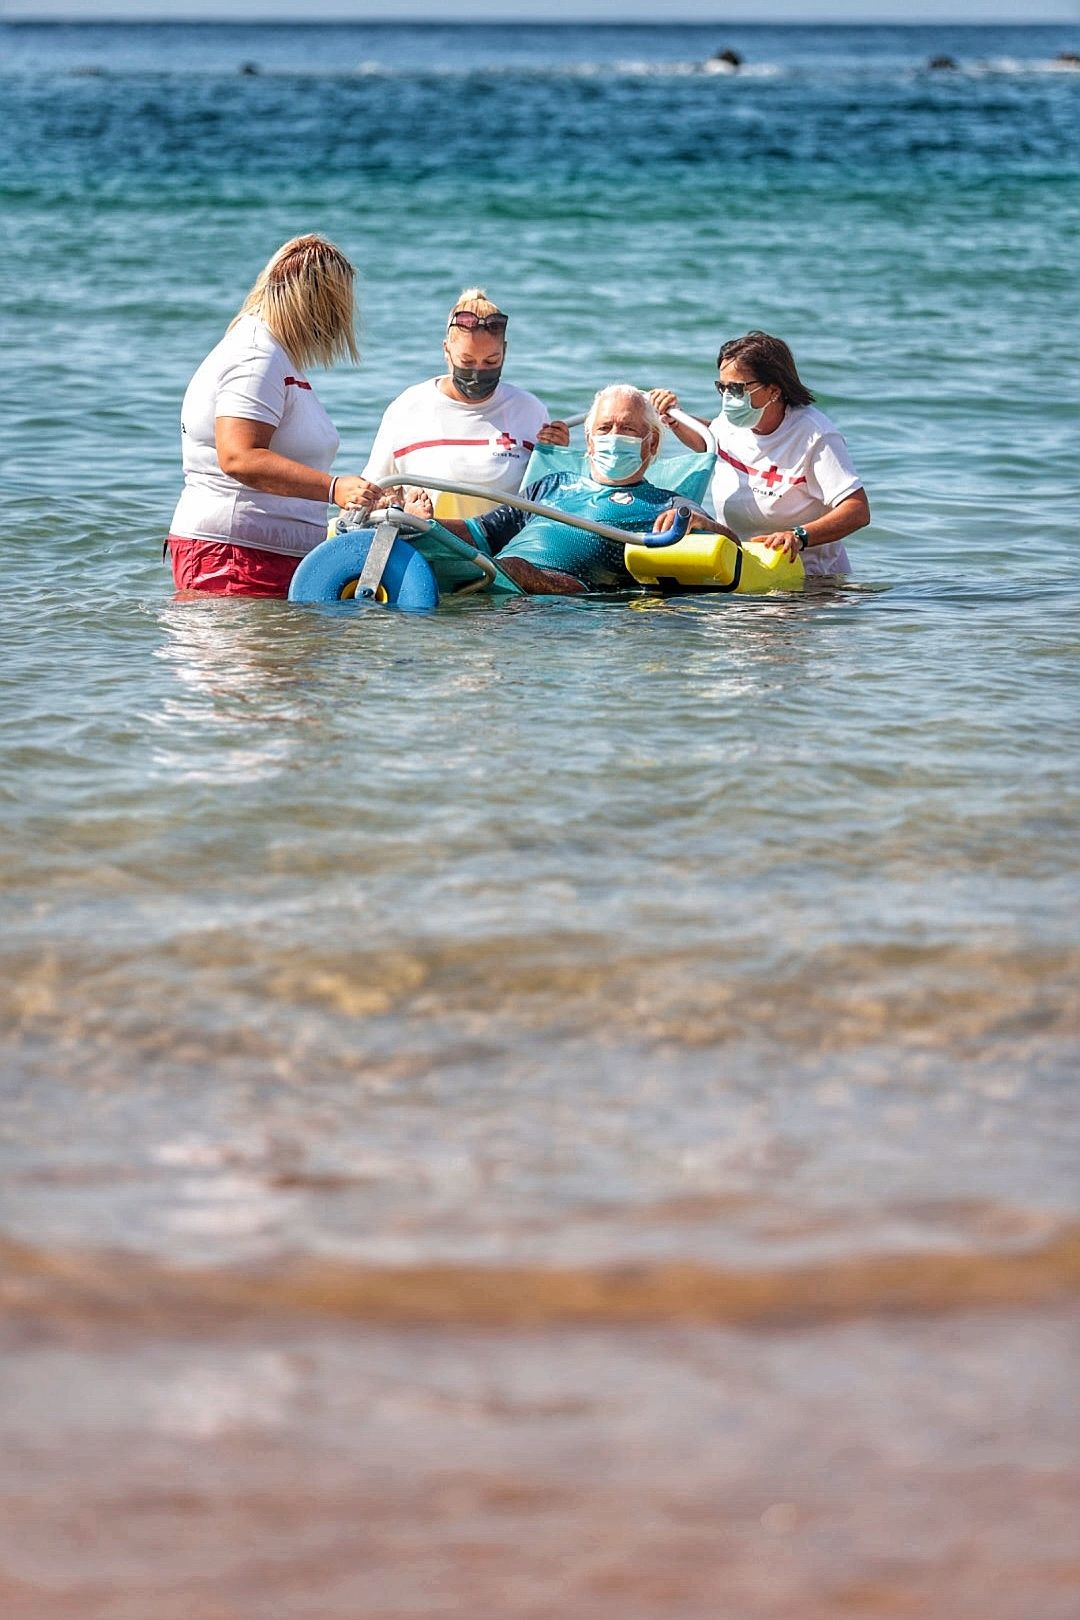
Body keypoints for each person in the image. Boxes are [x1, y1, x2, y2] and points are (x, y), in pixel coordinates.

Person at [167, 234, 382, 597]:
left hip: (259, 555)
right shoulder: (256, 355)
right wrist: (333, 488)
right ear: (317, 301)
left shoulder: (274, 355)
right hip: (235, 557)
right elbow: (238, 457)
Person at [412, 384, 709, 595]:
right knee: (404, 531)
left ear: (652, 442)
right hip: (500, 572)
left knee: (516, 568)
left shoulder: (663, 502)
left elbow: (729, 542)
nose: (614, 436)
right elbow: (482, 532)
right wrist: (423, 525)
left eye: (628, 429)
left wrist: (698, 522)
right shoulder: (554, 484)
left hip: (568, 595)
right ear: (589, 440)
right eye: (605, 428)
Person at [649, 331, 870, 575]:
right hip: (746, 570)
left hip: (811, 584)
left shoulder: (816, 436)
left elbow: (857, 510)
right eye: (722, 388)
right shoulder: (733, 424)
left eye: (736, 389)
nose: (728, 398)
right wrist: (677, 418)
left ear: (774, 390)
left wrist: (797, 537)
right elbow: (707, 441)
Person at [361, 288, 568, 522]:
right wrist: (398, 511)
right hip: (427, 545)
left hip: (505, 550)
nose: (478, 371)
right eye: (467, 361)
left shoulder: (529, 409)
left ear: (505, 352)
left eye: (491, 361)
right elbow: (371, 498)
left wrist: (557, 456)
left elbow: (548, 497)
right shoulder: (407, 408)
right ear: (446, 350)